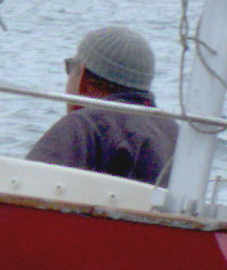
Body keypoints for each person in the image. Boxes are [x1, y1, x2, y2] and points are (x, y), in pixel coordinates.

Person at [24, 20, 175, 187]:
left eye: (70, 67)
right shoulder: (175, 134)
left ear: (82, 76)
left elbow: (26, 186)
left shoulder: (81, 127)